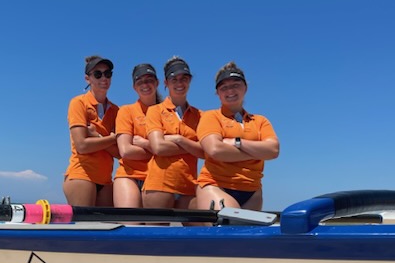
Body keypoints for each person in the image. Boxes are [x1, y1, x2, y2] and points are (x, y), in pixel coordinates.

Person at [196, 61, 280, 211]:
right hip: (216, 186)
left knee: (247, 234)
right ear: (218, 93)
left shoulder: (260, 121)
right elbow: (215, 150)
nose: (230, 91)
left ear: (245, 87)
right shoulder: (210, 117)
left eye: (235, 85)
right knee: (230, 226)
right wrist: (257, 153)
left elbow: (273, 150)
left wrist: (237, 142)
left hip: (253, 191)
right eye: (224, 87)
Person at [142, 56, 204, 209]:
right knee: (157, 233)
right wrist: (192, 146)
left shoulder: (201, 116)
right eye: (174, 79)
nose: (179, 83)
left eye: (184, 78)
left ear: (189, 80)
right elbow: (158, 148)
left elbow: (206, 152)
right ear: (166, 83)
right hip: (159, 185)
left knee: (201, 231)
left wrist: (178, 139)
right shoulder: (154, 111)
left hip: (189, 186)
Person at [63, 55, 119, 206]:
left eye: (108, 73)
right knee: (85, 227)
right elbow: (82, 145)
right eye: (98, 74)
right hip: (81, 175)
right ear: (88, 79)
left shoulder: (116, 111)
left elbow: (120, 153)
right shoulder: (78, 103)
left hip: (106, 180)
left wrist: (96, 136)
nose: (104, 78)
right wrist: (113, 138)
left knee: (107, 228)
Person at [113, 63, 161, 207]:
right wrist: (158, 150)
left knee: (156, 228)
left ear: (157, 83)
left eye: (149, 80)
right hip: (129, 176)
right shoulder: (126, 111)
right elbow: (126, 151)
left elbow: (173, 151)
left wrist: (145, 143)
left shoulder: (167, 112)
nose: (145, 85)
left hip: (160, 178)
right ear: (134, 87)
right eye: (140, 81)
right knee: (132, 224)